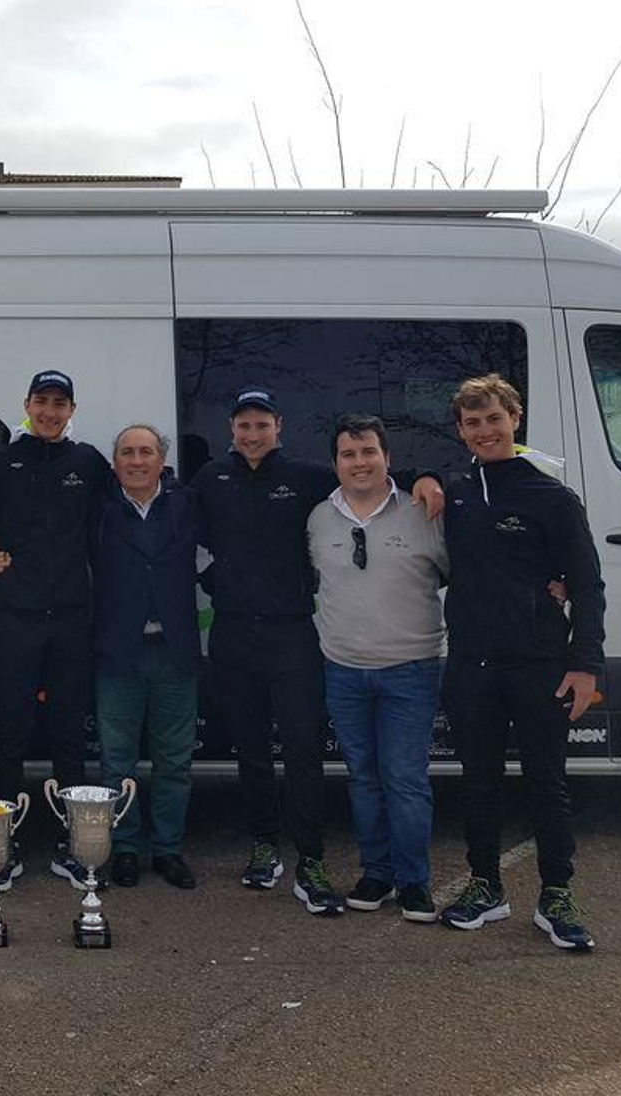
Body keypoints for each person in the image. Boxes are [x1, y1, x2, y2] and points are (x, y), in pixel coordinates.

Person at [189, 387, 442, 917]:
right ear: (231, 430)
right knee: (252, 751)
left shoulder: (307, 478)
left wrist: (427, 475)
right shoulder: (211, 479)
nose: (253, 434)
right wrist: (219, 582)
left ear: (278, 425)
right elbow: (180, 531)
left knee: (304, 751)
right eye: (243, 425)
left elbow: (369, 479)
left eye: (262, 424)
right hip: (234, 634)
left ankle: (311, 859)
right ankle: (264, 846)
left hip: (294, 637)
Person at [436, 374, 606, 950]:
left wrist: (585, 665)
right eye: (472, 422)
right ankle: (485, 885)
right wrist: (428, 480)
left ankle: (556, 893)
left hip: (540, 663)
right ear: (460, 431)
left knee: (546, 784)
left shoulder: (552, 497)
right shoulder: (455, 490)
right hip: (471, 664)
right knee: (478, 782)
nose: (484, 430)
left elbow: (585, 585)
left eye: (493, 419)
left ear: (515, 419)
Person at [0, 369, 110, 888]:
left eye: (60, 403)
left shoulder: (89, 462)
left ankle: (75, 848)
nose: (50, 412)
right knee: (10, 736)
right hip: (14, 618)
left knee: (70, 738)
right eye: (42, 401)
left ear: (72, 409)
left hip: (72, 618)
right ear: (27, 404)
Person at [307, 415, 448, 923]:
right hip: (343, 669)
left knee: (405, 778)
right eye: (349, 454)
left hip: (409, 669)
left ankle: (415, 882)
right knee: (363, 778)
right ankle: (377, 873)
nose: (359, 462)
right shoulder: (319, 517)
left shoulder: (423, 510)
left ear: (387, 457)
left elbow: (468, 573)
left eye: (368, 452)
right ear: (336, 462)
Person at [90, 425, 203, 889]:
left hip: (174, 652)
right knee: (117, 761)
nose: (136, 461)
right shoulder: (96, 509)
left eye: (146, 452)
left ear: (162, 460)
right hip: (119, 652)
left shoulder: (188, 504)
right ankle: (126, 848)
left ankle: (169, 850)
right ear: (114, 462)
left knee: (174, 761)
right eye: (127, 453)